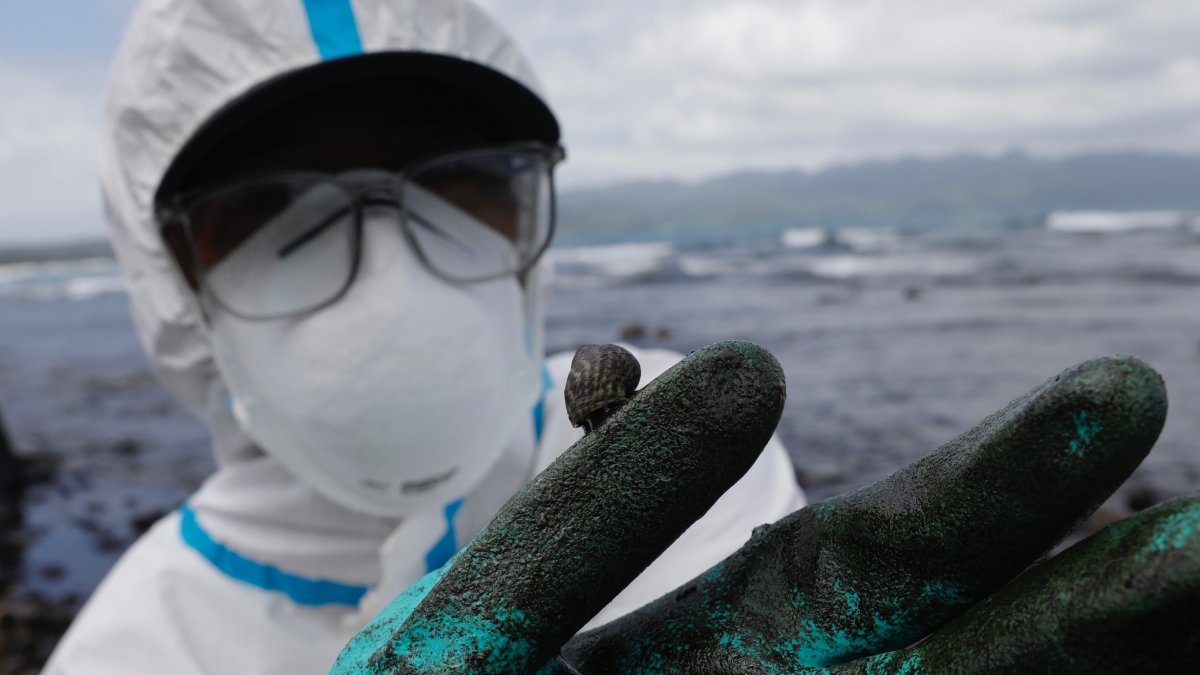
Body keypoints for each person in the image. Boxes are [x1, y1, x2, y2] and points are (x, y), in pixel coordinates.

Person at [40, 1, 805, 673]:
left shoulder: (690, 449)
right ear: (170, 277)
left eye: (457, 173)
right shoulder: (134, 650)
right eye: (269, 200)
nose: (389, 264)